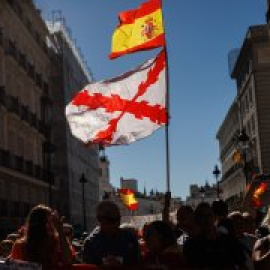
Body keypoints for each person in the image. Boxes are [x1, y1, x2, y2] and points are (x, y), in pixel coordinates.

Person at [9, 204, 72, 269]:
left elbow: (68, 261)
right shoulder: (20, 246)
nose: (52, 226)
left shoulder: (59, 241)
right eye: (48, 222)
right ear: (38, 225)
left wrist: (60, 230)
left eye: (53, 221)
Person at [82, 201, 140, 267]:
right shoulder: (90, 243)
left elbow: (138, 263)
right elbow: (87, 266)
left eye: (118, 219)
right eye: (112, 220)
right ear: (100, 219)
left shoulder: (130, 238)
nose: (117, 223)